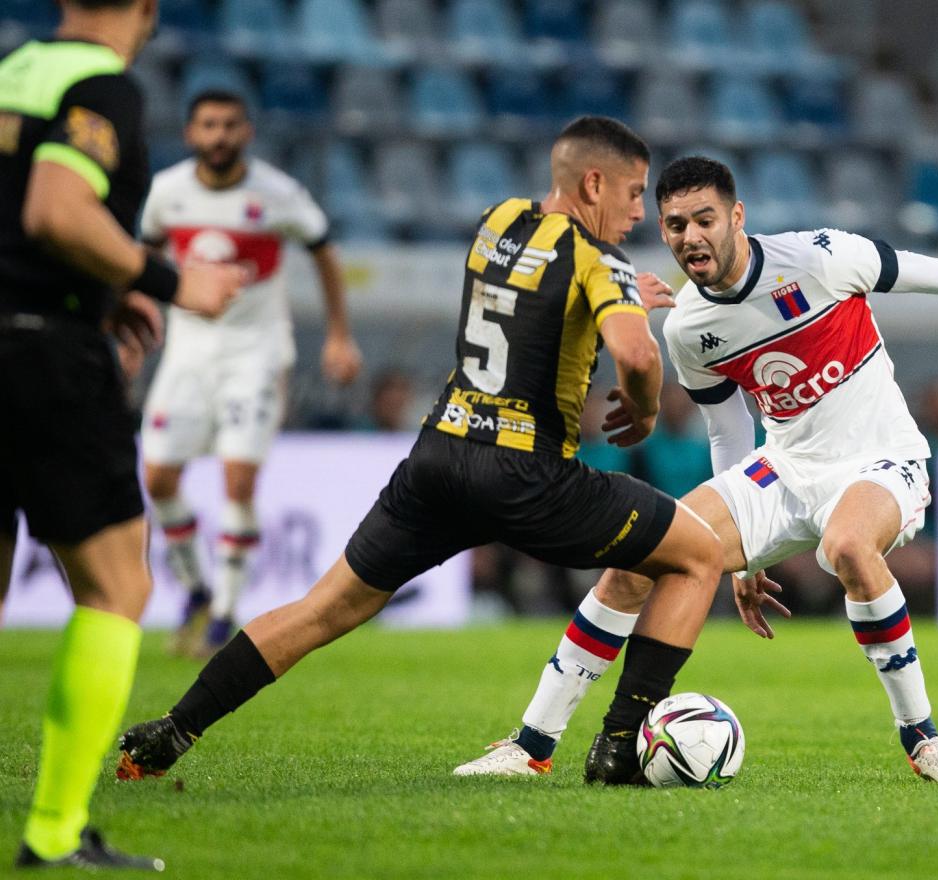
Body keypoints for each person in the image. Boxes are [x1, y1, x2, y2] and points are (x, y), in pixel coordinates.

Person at [453, 156, 938, 786]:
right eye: (676, 224)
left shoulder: (820, 259)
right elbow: (729, 427)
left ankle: (924, 740)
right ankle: (530, 746)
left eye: (705, 219)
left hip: (882, 460)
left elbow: (924, 271)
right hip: (784, 467)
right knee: (638, 560)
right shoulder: (688, 328)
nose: (691, 236)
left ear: (737, 217)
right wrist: (739, 562)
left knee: (849, 546)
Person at [115, 117, 724, 783]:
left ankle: (174, 728)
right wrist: (639, 403)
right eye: (635, 194)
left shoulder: (499, 220)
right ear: (593, 182)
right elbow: (635, 354)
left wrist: (627, 295)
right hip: (526, 473)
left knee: (323, 609)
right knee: (698, 555)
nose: (640, 213)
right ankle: (617, 748)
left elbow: (536, 303)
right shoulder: (598, 258)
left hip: (439, 457)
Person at [0, 0, 242, 868]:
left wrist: (107, 290)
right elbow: (56, 212)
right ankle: (55, 834)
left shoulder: (14, 71)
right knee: (113, 590)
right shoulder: (102, 84)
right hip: (42, 357)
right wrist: (166, 278)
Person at [136, 89, 363, 658]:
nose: (219, 136)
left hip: (255, 353)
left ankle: (224, 617)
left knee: (239, 479)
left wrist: (338, 332)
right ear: (191, 133)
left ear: (247, 133)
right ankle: (195, 589)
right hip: (188, 351)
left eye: (230, 125)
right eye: (209, 125)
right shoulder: (168, 193)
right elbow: (140, 253)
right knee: (159, 479)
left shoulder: (277, 194)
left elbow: (324, 250)